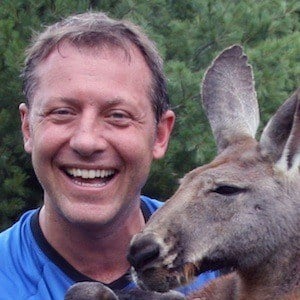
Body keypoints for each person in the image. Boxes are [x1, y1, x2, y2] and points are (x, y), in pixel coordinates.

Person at [0, 12, 217, 299]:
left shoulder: (225, 271)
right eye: (62, 112)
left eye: (118, 116)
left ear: (160, 135)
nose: (86, 141)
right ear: (28, 128)